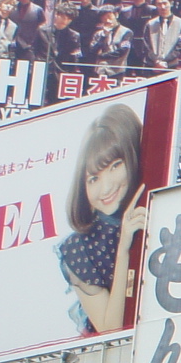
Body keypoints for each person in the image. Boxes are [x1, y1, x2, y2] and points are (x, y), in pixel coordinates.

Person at [56, 99, 150, 336]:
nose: (106, 187)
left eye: (115, 166)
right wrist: (123, 250)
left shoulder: (157, 208)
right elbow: (111, 329)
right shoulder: (78, 248)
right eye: (93, 179)